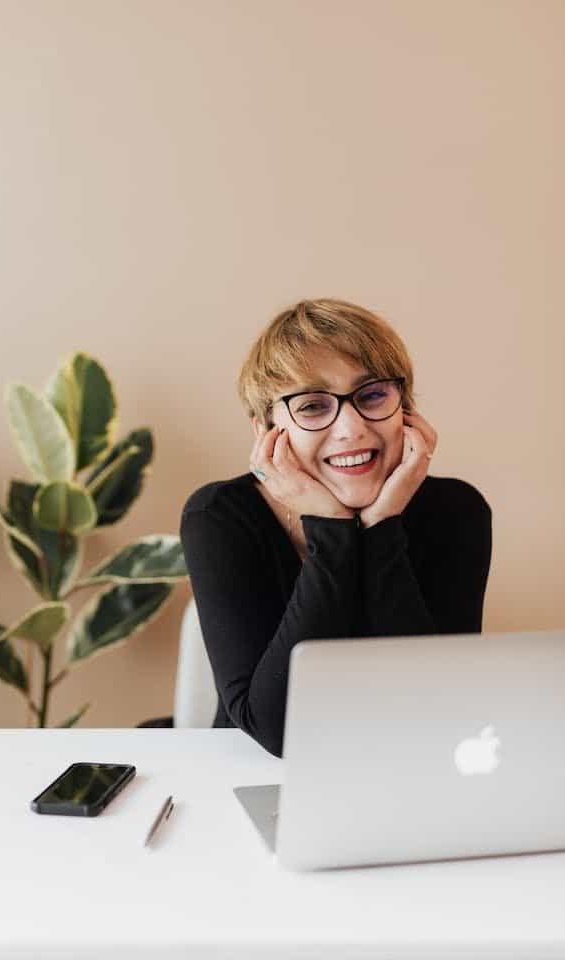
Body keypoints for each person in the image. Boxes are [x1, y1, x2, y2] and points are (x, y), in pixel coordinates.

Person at [180, 299, 492, 757]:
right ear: (267, 429)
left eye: (371, 396)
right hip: (254, 776)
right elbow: (276, 730)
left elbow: (437, 708)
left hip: (407, 768)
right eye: (311, 406)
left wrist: (381, 526)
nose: (351, 428)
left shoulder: (457, 510)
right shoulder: (220, 517)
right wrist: (330, 528)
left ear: (405, 409)